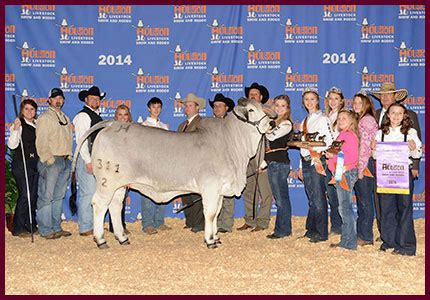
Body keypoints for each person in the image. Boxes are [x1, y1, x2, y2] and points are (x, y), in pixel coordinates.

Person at [370, 81, 421, 239]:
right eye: (382, 95)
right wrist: (373, 148)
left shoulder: (410, 116)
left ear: (395, 96)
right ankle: (386, 234)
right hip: (381, 165)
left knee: (403, 205)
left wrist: (415, 165)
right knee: (383, 203)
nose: (385, 97)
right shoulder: (375, 114)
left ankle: (402, 237)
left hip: (402, 167)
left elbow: (416, 144)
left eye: (388, 94)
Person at [35, 88, 73, 239]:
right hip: (52, 161)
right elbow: (41, 141)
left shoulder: (65, 117)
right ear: (49, 100)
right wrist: (47, 158)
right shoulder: (45, 117)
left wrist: (69, 156)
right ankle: (45, 229)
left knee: (58, 196)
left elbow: (68, 139)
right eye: (55, 97)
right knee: (46, 196)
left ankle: (56, 227)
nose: (59, 100)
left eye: (61, 98)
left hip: (64, 160)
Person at [297, 88, 334, 243]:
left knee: (318, 196)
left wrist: (315, 151)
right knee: (311, 196)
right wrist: (300, 165)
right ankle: (311, 229)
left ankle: (322, 232)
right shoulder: (304, 121)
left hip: (317, 160)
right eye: (306, 99)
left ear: (317, 101)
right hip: (306, 161)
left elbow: (330, 141)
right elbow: (302, 145)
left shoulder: (323, 119)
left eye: (312, 99)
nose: (309, 102)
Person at [237, 82, 273, 232]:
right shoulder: (243, 114)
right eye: (250, 94)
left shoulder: (268, 112)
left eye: (255, 94)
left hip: (261, 151)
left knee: (264, 189)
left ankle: (263, 221)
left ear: (261, 97)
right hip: (246, 153)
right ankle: (250, 220)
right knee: (249, 189)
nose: (252, 96)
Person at [73, 86, 104, 236]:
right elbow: (81, 141)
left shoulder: (96, 116)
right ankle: (85, 227)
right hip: (87, 159)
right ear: (86, 99)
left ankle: (92, 224)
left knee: (94, 193)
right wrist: (87, 161)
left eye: (97, 98)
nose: (95, 100)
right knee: (88, 193)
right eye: (92, 98)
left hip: (95, 159)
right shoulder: (83, 116)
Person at [326, 110, 360, 250]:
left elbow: (352, 157)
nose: (340, 120)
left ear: (351, 121)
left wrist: (332, 157)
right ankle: (346, 240)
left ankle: (350, 242)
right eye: (339, 118)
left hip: (345, 172)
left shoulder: (349, 136)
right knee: (343, 206)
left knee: (345, 207)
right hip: (341, 172)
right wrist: (331, 156)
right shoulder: (342, 135)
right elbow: (339, 153)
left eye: (344, 118)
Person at [7, 99, 39, 238]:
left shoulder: (37, 124)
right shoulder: (19, 124)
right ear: (22, 110)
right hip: (22, 164)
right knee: (25, 194)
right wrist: (14, 129)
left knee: (32, 196)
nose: (29, 112)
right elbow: (12, 145)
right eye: (26, 109)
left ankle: (29, 224)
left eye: (32, 109)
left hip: (34, 163)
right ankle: (18, 228)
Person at [141, 97, 172, 234]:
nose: (156, 110)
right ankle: (147, 224)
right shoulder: (143, 126)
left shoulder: (165, 126)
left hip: (163, 165)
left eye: (159, 107)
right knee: (147, 193)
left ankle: (159, 222)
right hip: (148, 165)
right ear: (149, 108)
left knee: (162, 193)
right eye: (154, 107)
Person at [265, 95, 293, 239]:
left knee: (281, 198)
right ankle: (283, 229)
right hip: (273, 162)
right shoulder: (274, 122)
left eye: (283, 106)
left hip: (279, 163)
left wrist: (265, 127)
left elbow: (270, 137)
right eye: (277, 105)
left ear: (287, 109)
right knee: (280, 196)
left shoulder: (286, 124)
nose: (279, 108)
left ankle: (283, 230)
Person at [352, 91, 378, 246]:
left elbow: (365, 147)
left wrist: (360, 169)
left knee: (365, 201)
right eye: (354, 102)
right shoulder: (360, 119)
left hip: (364, 163)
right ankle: (362, 233)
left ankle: (366, 236)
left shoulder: (367, 120)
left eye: (359, 103)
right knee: (363, 200)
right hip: (360, 163)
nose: (356, 105)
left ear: (366, 104)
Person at [177, 93, 206, 233]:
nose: (187, 108)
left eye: (190, 106)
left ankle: (199, 223)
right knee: (185, 193)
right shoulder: (182, 125)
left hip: (196, 164)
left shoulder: (201, 123)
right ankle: (190, 221)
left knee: (197, 194)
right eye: (186, 106)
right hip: (183, 164)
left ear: (197, 107)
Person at [208, 93, 236, 233]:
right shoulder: (208, 124)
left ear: (226, 107)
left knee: (228, 193)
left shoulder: (232, 124)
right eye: (215, 106)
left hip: (228, 163)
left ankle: (226, 224)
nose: (217, 108)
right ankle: (213, 223)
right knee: (213, 193)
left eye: (220, 105)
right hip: (211, 164)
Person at [107, 104, 132, 235]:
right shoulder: (111, 131)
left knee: (121, 198)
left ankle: (120, 225)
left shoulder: (133, 131)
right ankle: (114, 226)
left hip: (128, 168)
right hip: (114, 168)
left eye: (125, 114)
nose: (122, 117)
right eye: (120, 114)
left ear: (129, 117)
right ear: (116, 116)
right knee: (113, 197)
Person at [323, 86, 345, 235]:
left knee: (339, 194)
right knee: (332, 193)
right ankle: (336, 225)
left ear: (341, 101)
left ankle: (342, 226)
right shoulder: (327, 116)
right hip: (328, 159)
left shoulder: (343, 116)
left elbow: (344, 140)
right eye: (330, 98)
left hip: (339, 159)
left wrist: (333, 154)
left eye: (336, 98)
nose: (333, 101)